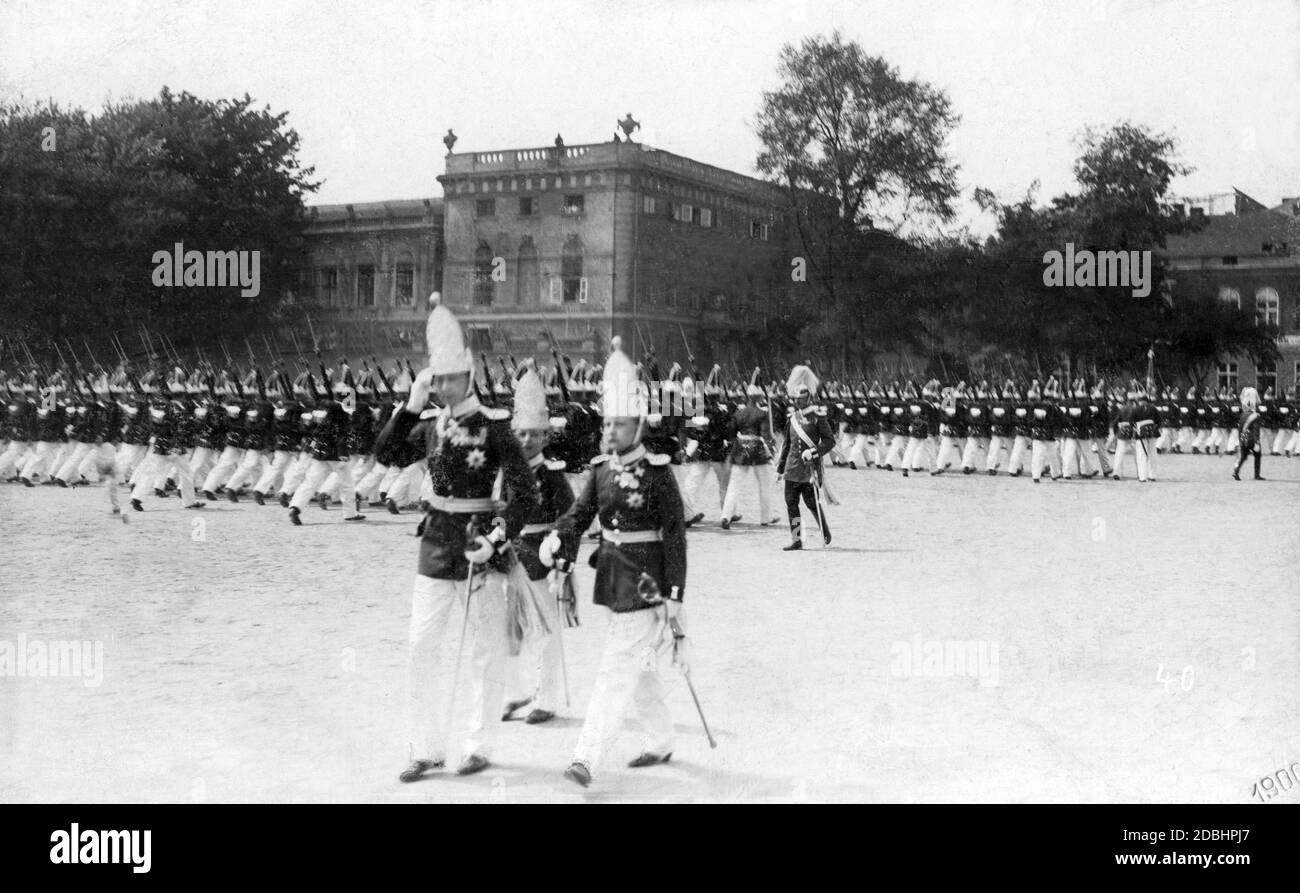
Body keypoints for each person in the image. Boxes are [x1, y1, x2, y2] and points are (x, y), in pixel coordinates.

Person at [386, 294, 540, 782]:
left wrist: (497, 540)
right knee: (420, 644)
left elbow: (526, 494)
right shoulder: (431, 424)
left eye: (449, 378)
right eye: (436, 378)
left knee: (482, 649)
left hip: (479, 546)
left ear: (468, 378)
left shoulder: (494, 427)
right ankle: (425, 747)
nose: (441, 386)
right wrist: (409, 409)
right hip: (434, 543)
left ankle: (478, 743)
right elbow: (386, 454)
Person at [539, 336, 688, 788]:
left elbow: (676, 534)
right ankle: (661, 739)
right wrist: (557, 536)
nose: (610, 433)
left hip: (647, 583)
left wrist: (676, 593)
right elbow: (578, 515)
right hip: (612, 577)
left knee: (615, 667)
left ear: (639, 425)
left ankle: (585, 758)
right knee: (638, 666)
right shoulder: (600, 469)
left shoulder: (659, 471)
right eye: (607, 425)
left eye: (620, 426)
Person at [501, 368, 575, 726]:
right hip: (508, 554)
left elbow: (571, 515)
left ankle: (546, 699)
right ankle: (514, 691)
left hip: (541, 554)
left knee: (545, 628)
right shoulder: (507, 470)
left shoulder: (552, 472)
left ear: (546, 436)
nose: (527, 439)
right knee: (509, 627)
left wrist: (559, 549)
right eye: (521, 433)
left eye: (534, 434)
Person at [774, 365, 834, 550]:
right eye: (796, 399)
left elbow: (830, 441)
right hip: (792, 469)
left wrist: (814, 452)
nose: (798, 402)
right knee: (791, 504)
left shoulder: (818, 416)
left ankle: (824, 531)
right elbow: (787, 445)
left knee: (811, 503)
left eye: (802, 398)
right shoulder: (792, 418)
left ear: (808, 397)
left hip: (809, 469)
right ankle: (797, 539)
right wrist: (780, 468)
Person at [1233, 386, 1264, 481]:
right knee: (1257, 455)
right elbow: (1256, 430)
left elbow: (1240, 428)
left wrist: (1241, 440)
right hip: (1251, 439)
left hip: (1243, 438)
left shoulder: (1243, 415)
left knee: (1243, 457)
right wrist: (1257, 442)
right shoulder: (1256, 415)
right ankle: (1256, 474)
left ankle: (1236, 471)